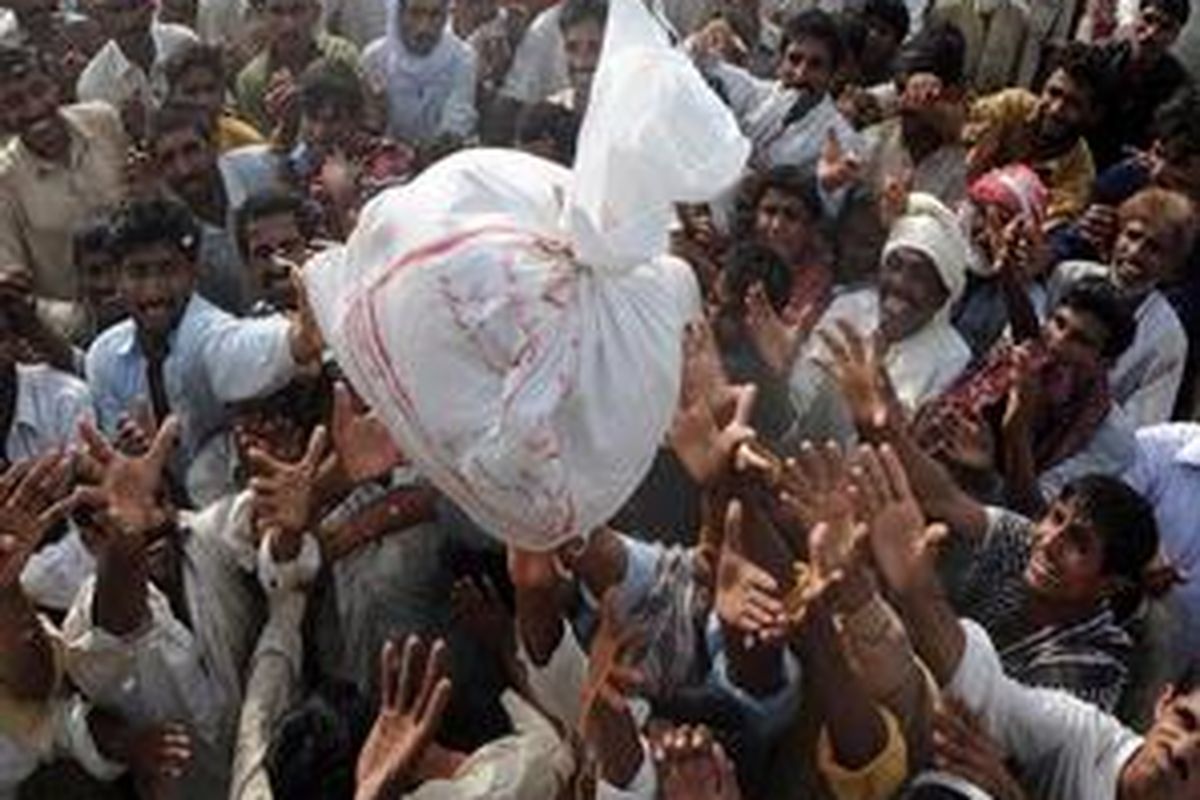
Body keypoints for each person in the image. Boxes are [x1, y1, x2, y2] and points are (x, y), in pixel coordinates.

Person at [84, 198, 323, 484]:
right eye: (138, 272)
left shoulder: (209, 333)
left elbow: (246, 346)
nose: (153, 289)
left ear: (193, 271)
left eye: (167, 269)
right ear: (117, 277)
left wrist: (298, 340)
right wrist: (129, 455)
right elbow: (114, 456)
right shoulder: (103, 357)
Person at [0, 45, 128, 339]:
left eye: (38, 90)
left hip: (157, 296)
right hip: (79, 336)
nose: (33, 108)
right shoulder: (4, 181)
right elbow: (13, 292)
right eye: (14, 102)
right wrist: (85, 321)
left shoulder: (104, 121)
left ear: (55, 84)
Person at [1050, 187, 1197, 427]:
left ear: (1172, 267)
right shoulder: (1068, 276)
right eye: (1132, 235)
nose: (1135, 252)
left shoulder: (1168, 338)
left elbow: (1144, 426)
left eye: (1154, 248)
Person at [146, 103, 285, 314]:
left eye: (191, 150)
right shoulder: (166, 225)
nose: (184, 169)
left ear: (214, 145)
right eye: (168, 159)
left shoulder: (264, 171)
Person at [698, 9, 862, 173]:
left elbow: (833, 180)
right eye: (794, 59)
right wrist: (709, 36)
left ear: (832, 74)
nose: (800, 73)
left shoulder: (840, 137)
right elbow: (701, 64)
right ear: (781, 61)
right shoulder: (755, 93)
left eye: (815, 64)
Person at [965, 42, 1110, 226]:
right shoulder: (1012, 105)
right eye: (1054, 93)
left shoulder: (1079, 174)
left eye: (1073, 103)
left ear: (1093, 114)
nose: (1056, 109)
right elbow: (962, 124)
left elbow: (1044, 226)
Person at [1089, 0, 1194, 170]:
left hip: (1132, 170)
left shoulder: (1179, 87)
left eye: (1165, 27)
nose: (1152, 33)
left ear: (1175, 36)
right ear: (1136, 18)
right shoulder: (1099, 57)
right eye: (1148, 19)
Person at [76, 0, 199, 140]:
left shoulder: (183, 44)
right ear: (100, 19)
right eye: (116, 11)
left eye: (134, 6)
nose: (129, 20)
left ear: (152, 7)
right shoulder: (94, 86)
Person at [361, 0, 477, 147]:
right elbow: (370, 129)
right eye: (415, 13)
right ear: (399, 14)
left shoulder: (462, 58)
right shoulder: (375, 58)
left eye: (434, 15)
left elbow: (456, 124)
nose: (424, 27)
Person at [234, 0, 359, 136]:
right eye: (276, 12)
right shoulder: (251, 80)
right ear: (263, 16)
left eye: (298, 10)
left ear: (316, 13)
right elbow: (261, 143)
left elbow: (362, 122)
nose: (288, 25)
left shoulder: (341, 56)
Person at [164, 42, 267, 153]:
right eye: (191, 92)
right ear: (172, 96)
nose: (203, 101)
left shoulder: (246, 142)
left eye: (210, 89)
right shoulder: (162, 144)